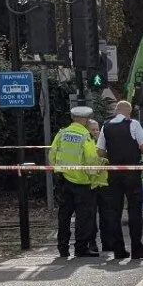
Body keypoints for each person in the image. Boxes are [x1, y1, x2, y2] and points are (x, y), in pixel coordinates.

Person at [96, 100, 143, 260]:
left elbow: (100, 152)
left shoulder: (106, 126)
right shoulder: (133, 124)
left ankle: (118, 249)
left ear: (117, 111)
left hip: (113, 174)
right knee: (134, 211)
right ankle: (137, 248)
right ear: (128, 112)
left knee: (114, 212)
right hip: (131, 173)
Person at [48, 106, 101, 258]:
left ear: (73, 118)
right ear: (85, 120)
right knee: (83, 217)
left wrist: (58, 171)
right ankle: (81, 248)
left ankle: (62, 247)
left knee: (64, 215)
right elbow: (91, 159)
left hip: (64, 181)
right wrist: (93, 176)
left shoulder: (62, 133)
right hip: (82, 183)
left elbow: (52, 154)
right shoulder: (85, 136)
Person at [87, 118, 110, 254]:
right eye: (93, 129)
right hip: (90, 184)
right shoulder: (87, 142)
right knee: (90, 216)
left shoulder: (103, 141)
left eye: (97, 129)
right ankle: (92, 243)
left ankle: (107, 242)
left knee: (106, 216)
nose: (96, 132)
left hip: (104, 183)